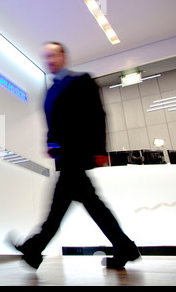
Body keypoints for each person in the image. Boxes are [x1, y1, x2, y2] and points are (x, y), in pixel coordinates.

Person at [9, 42, 140, 270]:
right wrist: (50, 143)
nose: (49, 60)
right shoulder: (50, 90)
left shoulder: (81, 80)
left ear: (63, 56)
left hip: (78, 153)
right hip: (66, 156)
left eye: (53, 55)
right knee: (87, 206)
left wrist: (100, 149)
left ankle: (34, 249)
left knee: (61, 207)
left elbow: (98, 114)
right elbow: (53, 122)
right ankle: (125, 248)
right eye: (46, 57)